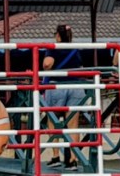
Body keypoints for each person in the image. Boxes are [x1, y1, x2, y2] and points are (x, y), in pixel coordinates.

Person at [42, 24, 84, 171]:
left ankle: (55, 157)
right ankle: (73, 159)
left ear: (58, 36)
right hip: (76, 87)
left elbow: (47, 64)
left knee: (52, 121)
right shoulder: (75, 49)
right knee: (73, 124)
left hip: (57, 86)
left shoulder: (53, 48)